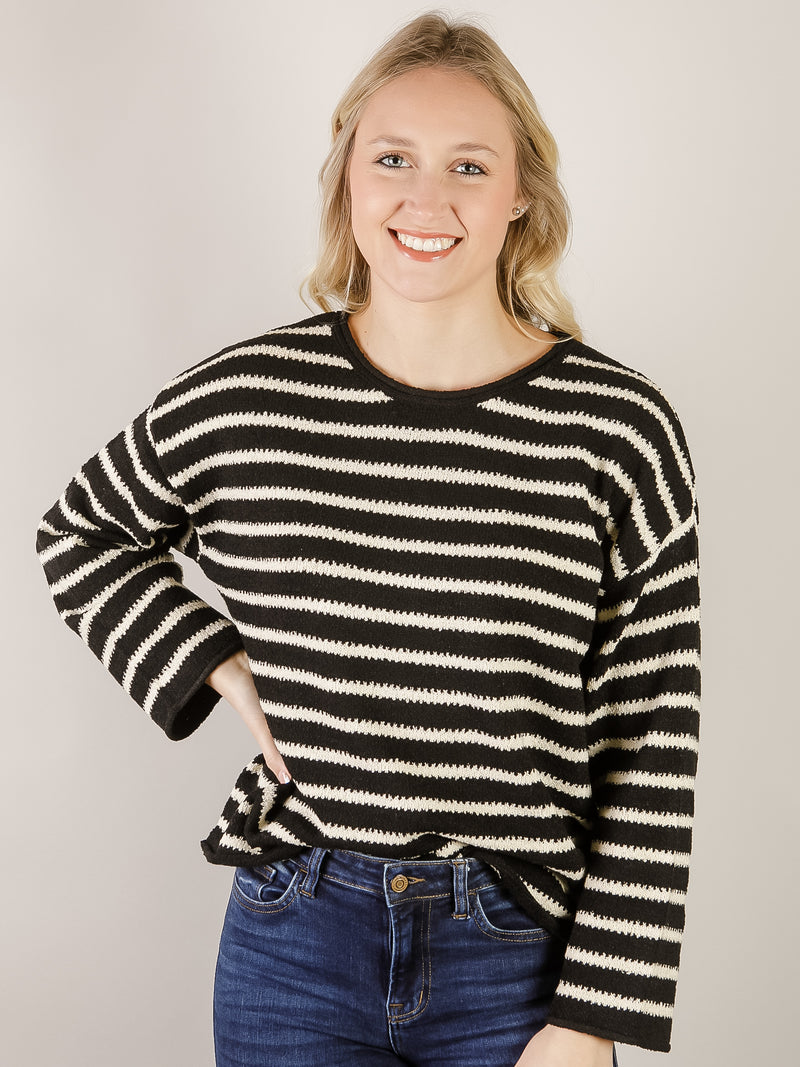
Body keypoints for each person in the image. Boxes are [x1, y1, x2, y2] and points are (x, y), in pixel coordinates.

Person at [37, 12, 700, 1067]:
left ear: (520, 190)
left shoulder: (614, 428)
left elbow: (650, 741)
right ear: (347, 173)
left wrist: (588, 1017)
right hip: (293, 935)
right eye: (391, 157)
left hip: (517, 958)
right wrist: (221, 666)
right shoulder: (249, 395)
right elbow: (81, 530)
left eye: (468, 165)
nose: (423, 199)